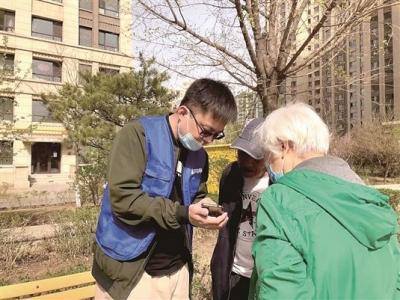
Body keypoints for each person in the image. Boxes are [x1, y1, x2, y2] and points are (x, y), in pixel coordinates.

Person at [92, 78, 237, 300]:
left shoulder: (199, 155)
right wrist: (182, 213)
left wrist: (206, 208)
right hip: (133, 272)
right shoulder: (138, 135)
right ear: (182, 112)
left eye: (216, 135)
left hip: (178, 270)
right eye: (205, 131)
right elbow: (124, 199)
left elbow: (195, 195)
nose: (208, 140)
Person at [249, 102, 400, 299]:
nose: (268, 165)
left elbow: (281, 290)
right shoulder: (369, 199)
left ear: (284, 147)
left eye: (269, 156)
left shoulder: (279, 199)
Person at [211, 118, 269, 300]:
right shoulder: (230, 175)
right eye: (243, 154)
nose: (248, 162)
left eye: (256, 157)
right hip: (231, 272)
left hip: (264, 277)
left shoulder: (279, 184)